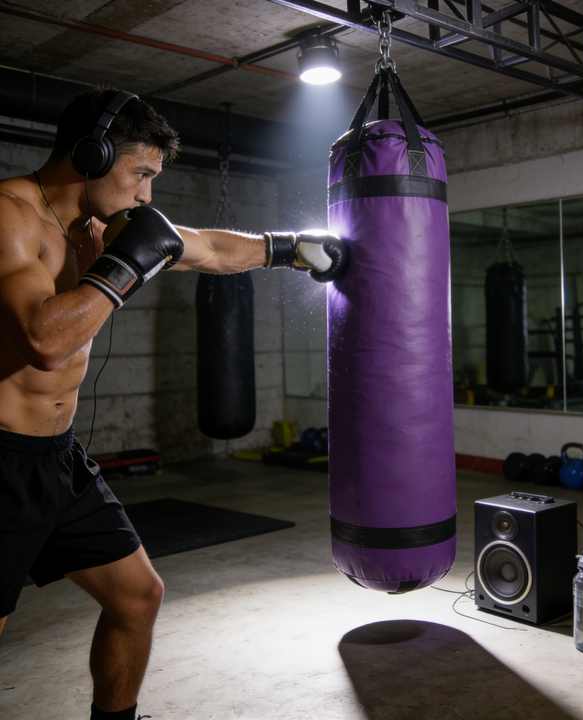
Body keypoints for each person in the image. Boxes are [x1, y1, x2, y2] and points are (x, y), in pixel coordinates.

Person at [0, 88, 346, 720]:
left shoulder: (100, 228)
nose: (147, 195)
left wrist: (296, 248)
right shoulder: (9, 216)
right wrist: (126, 264)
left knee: (137, 597)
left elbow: (209, 248)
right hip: (0, 461)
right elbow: (45, 342)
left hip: (58, 459)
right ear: (92, 154)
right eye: (141, 174)